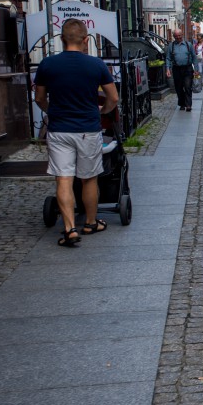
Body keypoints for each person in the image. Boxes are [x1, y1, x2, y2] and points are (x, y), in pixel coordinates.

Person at [34, 19, 119, 247]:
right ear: (85, 40)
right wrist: (103, 111)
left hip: (59, 128)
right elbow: (113, 98)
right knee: (89, 178)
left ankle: (69, 228)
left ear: (62, 39)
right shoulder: (96, 65)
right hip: (88, 129)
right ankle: (91, 222)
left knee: (63, 178)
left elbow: (40, 98)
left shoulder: (47, 64)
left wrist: (51, 110)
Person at [166, 29, 198, 112]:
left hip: (187, 68)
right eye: (176, 36)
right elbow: (168, 58)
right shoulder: (171, 46)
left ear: (182, 35)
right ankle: (182, 104)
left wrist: (196, 69)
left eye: (179, 36)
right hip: (176, 69)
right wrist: (167, 69)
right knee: (178, 88)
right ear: (174, 37)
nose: (178, 38)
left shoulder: (188, 45)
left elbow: (194, 57)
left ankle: (188, 105)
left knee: (187, 86)